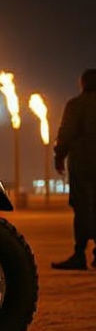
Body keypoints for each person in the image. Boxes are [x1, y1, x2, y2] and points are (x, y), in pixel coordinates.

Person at [51, 68, 96, 270]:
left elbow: (66, 132)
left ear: (83, 83)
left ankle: (80, 254)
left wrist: (59, 155)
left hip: (83, 164)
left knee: (82, 208)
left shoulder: (77, 105)